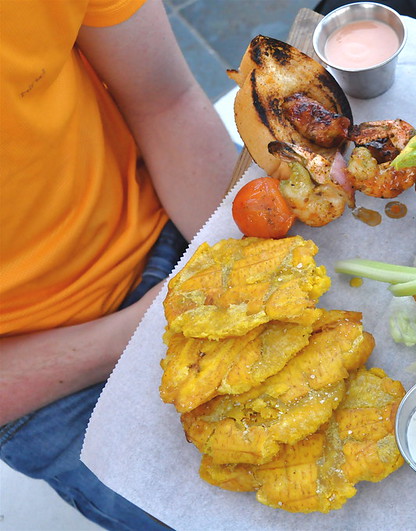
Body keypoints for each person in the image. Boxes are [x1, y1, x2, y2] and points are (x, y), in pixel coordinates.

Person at [0, 0, 238, 528]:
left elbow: (164, 100)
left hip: (170, 216)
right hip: (48, 386)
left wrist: (239, 251)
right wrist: (142, 328)